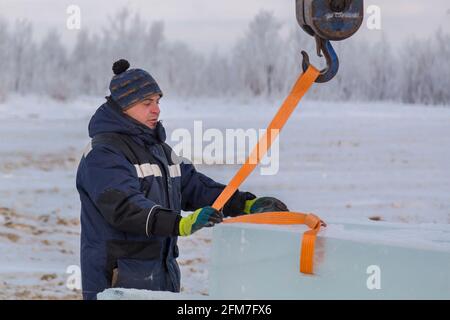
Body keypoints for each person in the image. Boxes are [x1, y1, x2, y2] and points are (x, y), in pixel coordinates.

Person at [76, 59, 288, 300]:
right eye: (147, 103)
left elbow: (195, 187)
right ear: (124, 107)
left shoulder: (160, 151)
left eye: (157, 102)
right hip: (117, 281)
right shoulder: (103, 153)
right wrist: (180, 223)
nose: (156, 109)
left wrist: (244, 204)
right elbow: (125, 208)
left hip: (161, 276)